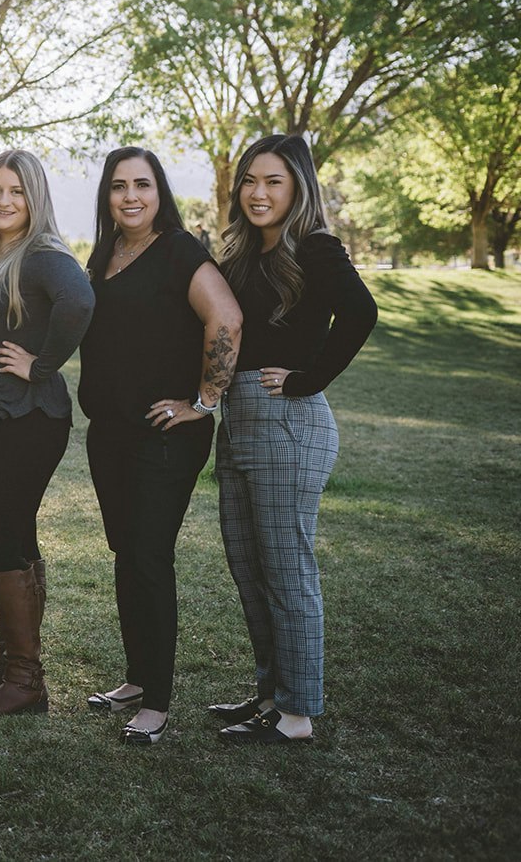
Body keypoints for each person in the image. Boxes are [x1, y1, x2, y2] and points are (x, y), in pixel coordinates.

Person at [211, 134, 376, 744]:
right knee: (248, 566)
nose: (258, 193)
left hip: (287, 424)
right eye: (250, 181)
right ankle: (270, 698)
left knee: (286, 570)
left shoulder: (315, 247)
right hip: (239, 423)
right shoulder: (246, 251)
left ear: (298, 187)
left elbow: (361, 313)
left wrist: (309, 380)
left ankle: (298, 715)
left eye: (273, 181)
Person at [79, 146, 242, 746]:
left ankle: (159, 703)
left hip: (166, 435)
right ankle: (136, 679)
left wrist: (203, 401)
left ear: (160, 192)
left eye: (142, 185)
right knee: (127, 553)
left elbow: (225, 318)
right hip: (110, 431)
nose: (130, 196)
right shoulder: (106, 253)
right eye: (119, 186)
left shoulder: (179, 251)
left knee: (148, 556)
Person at [0, 150, 94, 716]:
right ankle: (12, 668)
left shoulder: (42, 253)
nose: (4, 201)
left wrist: (42, 364)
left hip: (25, 419)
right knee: (11, 538)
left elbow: (78, 302)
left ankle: (26, 680)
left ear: (36, 199)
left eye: (17, 192)